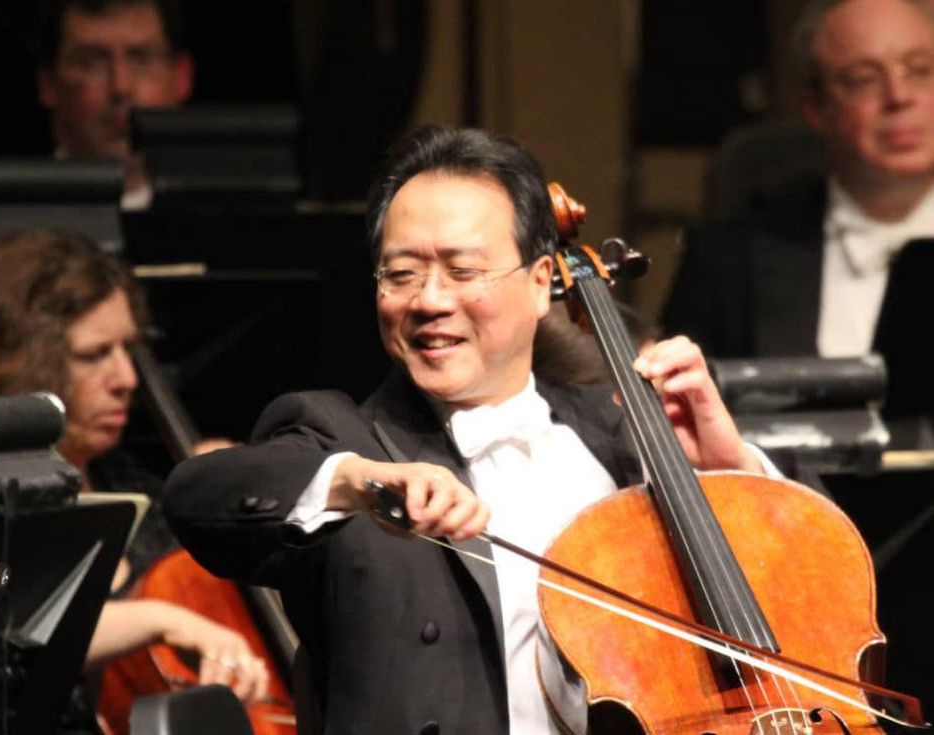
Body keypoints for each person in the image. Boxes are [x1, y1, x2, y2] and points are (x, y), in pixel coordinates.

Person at [163, 126, 772, 734]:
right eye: (400, 273)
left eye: (462, 270)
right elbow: (198, 498)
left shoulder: (618, 432)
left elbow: (812, 598)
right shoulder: (343, 437)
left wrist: (732, 464)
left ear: (540, 285)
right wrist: (360, 482)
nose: (429, 300)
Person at [0, 229, 268, 731]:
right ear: (17, 363)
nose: (126, 377)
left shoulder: (139, 488)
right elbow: (3, 636)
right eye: (94, 354)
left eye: (128, 349)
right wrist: (162, 619)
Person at [663, 0, 934, 363]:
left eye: (920, 70)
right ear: (815, 109)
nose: (899, 97)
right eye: (863, 79)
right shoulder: (726, 262)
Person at [35, 0, 193, 201]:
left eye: (142, 60)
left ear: (182, 76)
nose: (121, 87)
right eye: (90, 63)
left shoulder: (229, 213)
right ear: (48, 83)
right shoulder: (6, 221)